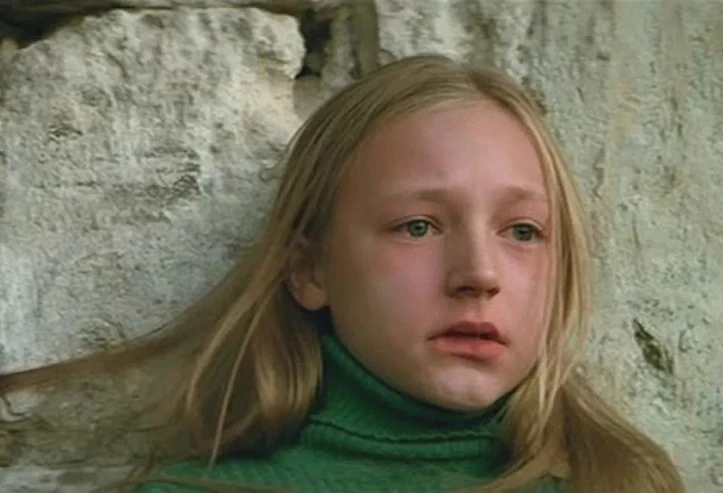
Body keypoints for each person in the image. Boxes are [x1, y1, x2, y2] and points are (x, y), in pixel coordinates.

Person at [0, 54, 684, 493]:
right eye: (418, 226)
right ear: (310, 268)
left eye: (523, 231)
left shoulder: (624, 483)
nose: (479, 274)